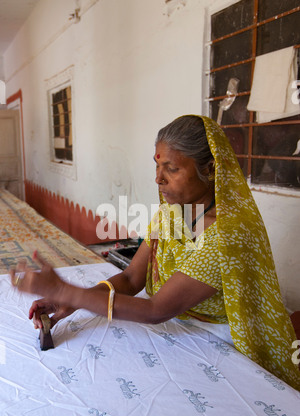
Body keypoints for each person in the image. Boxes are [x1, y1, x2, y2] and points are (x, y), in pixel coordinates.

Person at [10, 115, 300, 391]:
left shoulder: (226, 235)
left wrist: (68, 292)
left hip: (220, 339)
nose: (159, 179)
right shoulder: (170, 215)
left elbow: (155, 309)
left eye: (172, 169)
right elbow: (132, 279)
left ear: (210, 170)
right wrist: (73, 303)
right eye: (157, 167)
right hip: (176, 326)